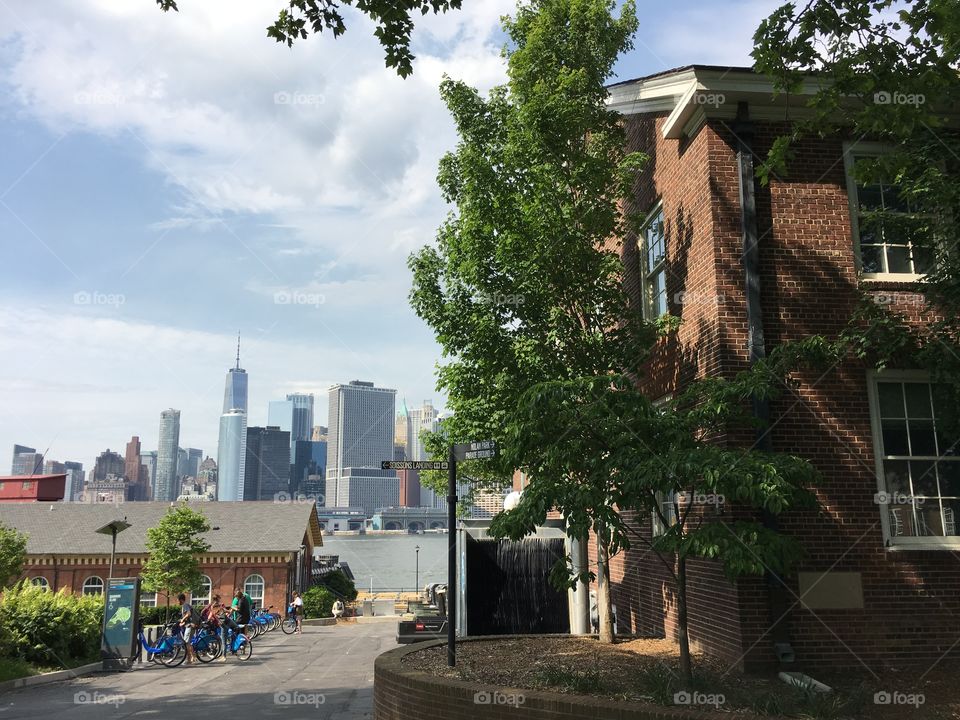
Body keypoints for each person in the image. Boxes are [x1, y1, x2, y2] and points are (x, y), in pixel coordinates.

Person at [209, 594, 241, 661]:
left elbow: (213, 615)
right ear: (218, 599)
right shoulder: (220, 605)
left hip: (223, 624)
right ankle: (234, 647)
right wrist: (233, 608)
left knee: (223, 641)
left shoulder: (213, 607)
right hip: (228, 621)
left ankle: (224, 656)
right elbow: (228, 611)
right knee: (237, 629)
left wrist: (211, 619)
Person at [177, 593, 198, 665]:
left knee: (186, 642)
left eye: (178, 600)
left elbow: (188, 614)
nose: (177, 602)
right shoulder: (186, 605)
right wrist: (182, 623)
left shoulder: (185, 605)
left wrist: (182, 619)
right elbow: (188, 617)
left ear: (181, 600)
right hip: (190, 625)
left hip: (190, 626)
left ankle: (190, 658)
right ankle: (192, 657)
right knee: (187, 642)